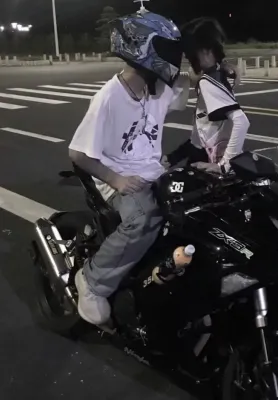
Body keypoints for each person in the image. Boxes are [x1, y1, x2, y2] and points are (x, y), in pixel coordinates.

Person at [68, 10, 191, 326]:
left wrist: (209, 72)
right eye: (166, 49)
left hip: (152, 171)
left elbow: (180, 101)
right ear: (142, 47)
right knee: (143, 218)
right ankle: (92, 281)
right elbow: (78, 153)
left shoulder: (156, 88)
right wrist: (116, 179)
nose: (173, 57)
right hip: (120, 178)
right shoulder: (108, 98)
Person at [164, 18, 250, 174]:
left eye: (190, 52)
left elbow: (241, 121)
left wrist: (224, 166)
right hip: (204, 154)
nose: (187, 57)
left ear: (206, 50)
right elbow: (202, 134)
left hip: (212, 164)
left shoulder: (208, 81)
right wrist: (172, 158)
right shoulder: (217, 73)